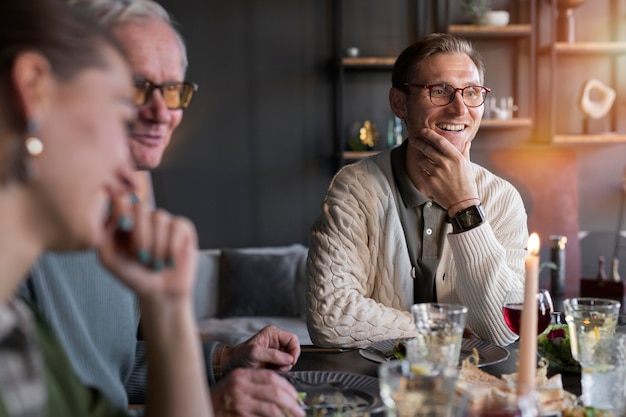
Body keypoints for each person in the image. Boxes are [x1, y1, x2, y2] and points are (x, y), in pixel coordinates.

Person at [17, 1, 304, 416]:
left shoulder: (119, 213)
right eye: (132, 87)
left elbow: (108, 369)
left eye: (174, 91)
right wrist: (205, 407)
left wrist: (222, 359)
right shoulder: (25, 234)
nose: (162, 113)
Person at [0, 0, 212, 416]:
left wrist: (168, 304)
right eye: (120, 108)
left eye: (173, 93)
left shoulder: (18, 331)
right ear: (33, 90)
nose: (126, 165)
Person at [307, 33, 528, 349]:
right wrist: (443, 333)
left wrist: (464, 206)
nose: (459, 109)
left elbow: (505, 329)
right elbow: (330, 319)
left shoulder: (503, 199)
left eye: (472, 92)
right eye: (439, 91)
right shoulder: (355, 187)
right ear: (400, 103)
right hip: (377, 388)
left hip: (476, 388)